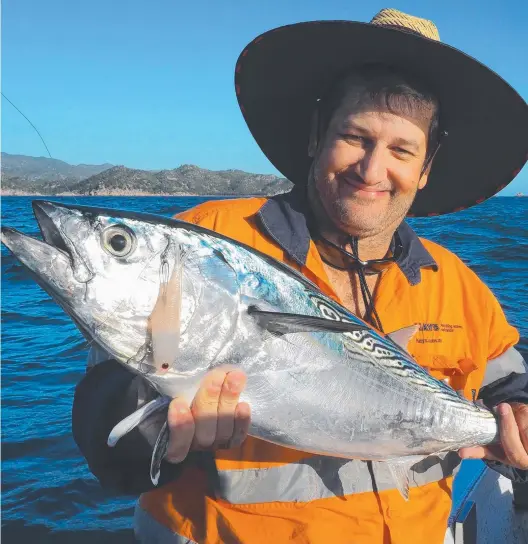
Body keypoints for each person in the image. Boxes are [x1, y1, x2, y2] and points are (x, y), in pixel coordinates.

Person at [73, 8, 528, 544]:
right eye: (355, 137)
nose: (372, 169)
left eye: (402, 150)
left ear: (425, 169)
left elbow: (511, 386)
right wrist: (160, 428)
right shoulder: (205, 248)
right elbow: (122, 417)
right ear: (317, 136)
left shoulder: (455, 284)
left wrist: (518, 421)